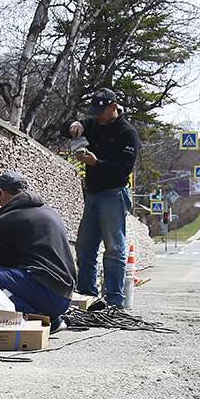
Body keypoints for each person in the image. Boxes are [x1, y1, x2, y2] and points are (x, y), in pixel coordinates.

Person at [0, 171, 77, 324]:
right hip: (64, 298)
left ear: (1, 192)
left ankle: (33, 318)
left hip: (44, 293)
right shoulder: (50, 212)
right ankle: (53, 320)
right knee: (16, 277)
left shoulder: (9, 217)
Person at [60, 88, 141, 307]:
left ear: (113, 107)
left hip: (114, 194)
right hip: (93, 194)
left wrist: (97, 163)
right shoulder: (94, 124)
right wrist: (73, 125)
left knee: (114, 248)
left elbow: (123, 170)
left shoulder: (127, 133)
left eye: (101, 111)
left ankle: (114, 300)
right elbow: (64, 128)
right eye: (94, 112)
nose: (97, 116)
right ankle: (87, 296)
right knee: (85, 247)